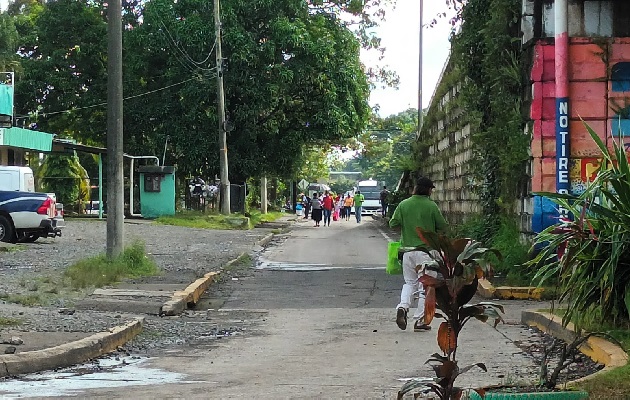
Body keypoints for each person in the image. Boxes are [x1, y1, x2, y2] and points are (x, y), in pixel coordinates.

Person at [389, 176, 447, 332]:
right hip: (426, 253)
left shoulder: (404, 204)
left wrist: (407, 226)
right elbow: (443, 226)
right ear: (428, 190)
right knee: (426, 287)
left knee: (410, 283)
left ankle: (403, 306)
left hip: (407, 252)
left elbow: (393, 224)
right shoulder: (431, 206)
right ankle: (420, 321)